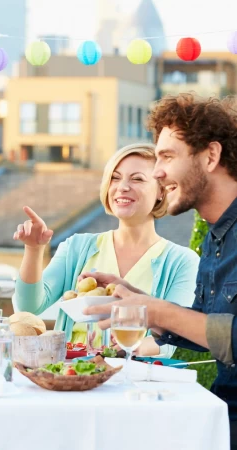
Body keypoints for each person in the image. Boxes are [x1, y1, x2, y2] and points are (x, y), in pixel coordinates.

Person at [82, 93, 237, 448]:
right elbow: (204, 325)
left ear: (210, 156)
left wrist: (158, 310)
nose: (156, 171)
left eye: (167, 155)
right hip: (218, 415)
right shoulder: (215, 237)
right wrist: (140, 302)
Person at [13, 143, 199, 357]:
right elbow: (28, 308)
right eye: (115, 177)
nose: (122, 187)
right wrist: (33, 249)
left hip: (134, 379)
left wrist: (129, 347)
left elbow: (170, 340)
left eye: (137, 179)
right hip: (73, 376)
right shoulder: (78, 247)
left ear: (161, 191)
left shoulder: (182, 262)